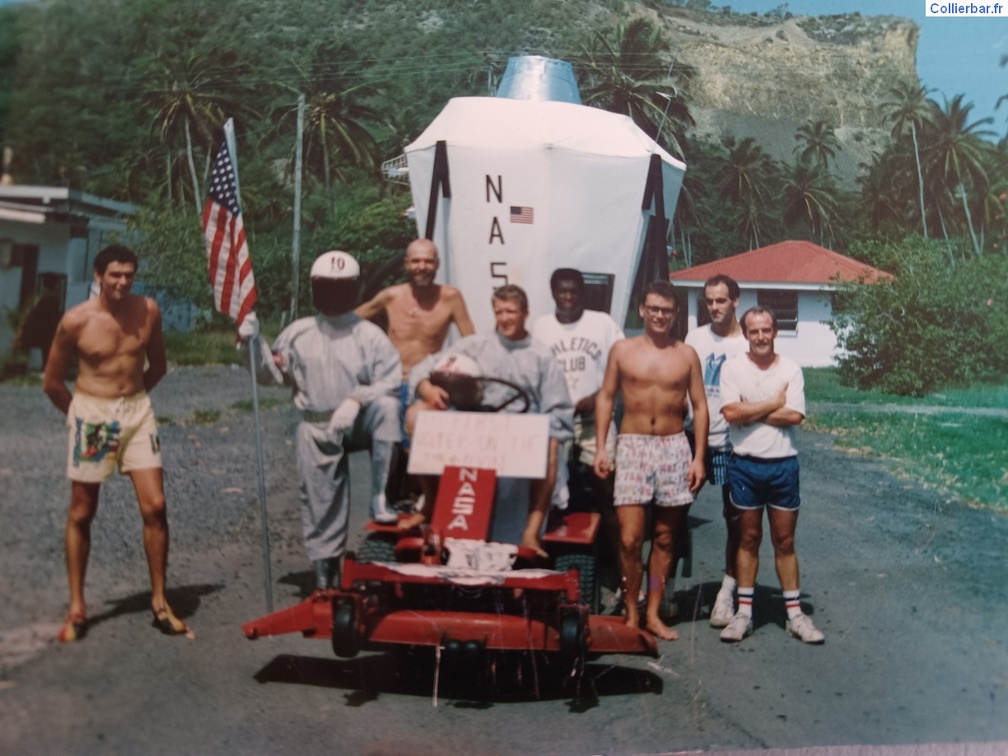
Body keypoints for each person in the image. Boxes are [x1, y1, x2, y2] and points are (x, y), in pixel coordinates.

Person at [43, 244, 188, 642]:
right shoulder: (76, 320)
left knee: (156, 505)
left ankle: (159, 602)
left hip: (137, 412)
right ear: (98, 276)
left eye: (128, 274)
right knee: (83, 509)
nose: (122, 282)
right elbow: (51, 382)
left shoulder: (148, 310)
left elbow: (157, 365)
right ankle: (77, 607)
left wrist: (134, 400)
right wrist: (81, 415)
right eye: (114, 275)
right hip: (93, 416)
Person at [238, 250, 401, 592]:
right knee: (318, 499)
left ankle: (380, 496)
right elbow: (272, 376)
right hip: (317, 425)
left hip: (358, 421)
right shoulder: (298, 332)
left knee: (387, 408)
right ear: (315, 289)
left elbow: (391, 380)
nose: (335, 295)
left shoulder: (369, 335)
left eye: (342, 289)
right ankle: (325, 572)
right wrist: (251, 345)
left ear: (355, 290)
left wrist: (357, 399)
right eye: (327, 288)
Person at [403, 284, 574, 556]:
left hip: (521, 432)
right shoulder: (475, 345)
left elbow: (560, 410)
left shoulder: (542, 355)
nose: (505, 318)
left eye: (511, 312)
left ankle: (530, 532)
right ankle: (431, 504)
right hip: (477, 428)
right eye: (499, 312)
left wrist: (543, 432)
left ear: (525, 313)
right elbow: (425, 367)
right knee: (417, 414)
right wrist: (427, 387)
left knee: (552, 444)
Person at [593, 281, 708, 641]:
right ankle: (631, 609)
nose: (660, 315)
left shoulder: (686, 354)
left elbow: (701, 406)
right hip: (632, 447)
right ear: (642, 309)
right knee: (629, 539)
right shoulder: (622, 350)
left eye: (666, 310)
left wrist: (699, 457)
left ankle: (654, 611)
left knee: (665, 537)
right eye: (653, 308)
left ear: (675, 314)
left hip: (674, 447)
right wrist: (601, 447)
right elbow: (606, 398)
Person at [717, 307, 824, 644]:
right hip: (746, 465)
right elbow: (731, 412)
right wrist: (772, 402)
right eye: (753, 331)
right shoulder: (733, 367)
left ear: (774, 332)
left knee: (785, 541)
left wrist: (753, 408)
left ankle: (794, 615)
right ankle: (743, 614)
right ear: (745, 334)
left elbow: (794, 416)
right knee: (748, 539)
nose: (760, 337)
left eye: (766, 330)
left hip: (783, 466)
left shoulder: (791, 369)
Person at [684, 274, 749, 628]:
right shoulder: (694, 337)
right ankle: (661, 590)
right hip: (692, 439)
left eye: (721, 300)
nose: (714, 307)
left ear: (735, 300)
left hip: (733, 443)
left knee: (736, 520)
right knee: (671, 517)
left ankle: (726, 594)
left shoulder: (747, 342)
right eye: (709, 301)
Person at [531, 268, 624, 510]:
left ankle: (609, 543)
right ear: (553, 293)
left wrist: (598, 396)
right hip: (556, 421)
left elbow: (623, 365)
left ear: (582, 293)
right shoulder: (541, 327)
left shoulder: (602, 322)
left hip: (596, 420)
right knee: (549, 486)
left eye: (574, 291)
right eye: (562, 291)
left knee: (606, 483)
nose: (568, 297)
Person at [355, 237, 475, 411]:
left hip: (426, 384)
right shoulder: (391, 296)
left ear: (437, 264)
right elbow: (351, 320)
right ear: (406, 264)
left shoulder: (450, 298)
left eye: (428, 262)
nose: (422, 267)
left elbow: (471, 343)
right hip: (389, 381)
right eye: (416, 261)